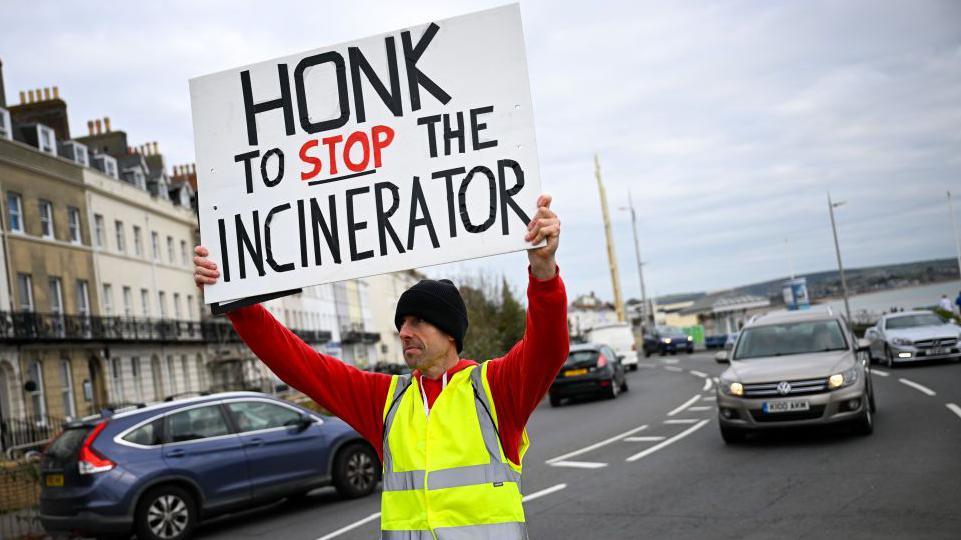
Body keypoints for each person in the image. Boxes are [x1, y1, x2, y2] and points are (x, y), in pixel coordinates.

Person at [193, 194, 568, 539]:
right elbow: (298, 364)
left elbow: (547, 347)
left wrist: (544, 273)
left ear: (451, 334)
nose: (404, 332)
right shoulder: (387, 399)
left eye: (418, 322)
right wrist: (238, 304)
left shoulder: (494, 388)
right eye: (401, 323)